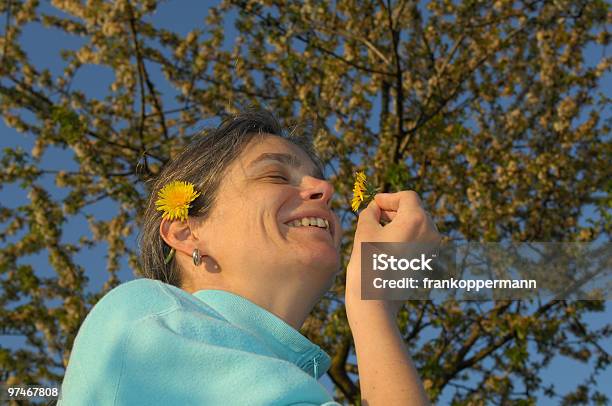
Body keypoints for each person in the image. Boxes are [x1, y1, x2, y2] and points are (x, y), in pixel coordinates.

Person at [58, 108, 438, 405]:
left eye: (319, 180)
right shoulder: (148, 320)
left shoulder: (291, 381)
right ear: (186, 232)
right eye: (275, 176)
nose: (324, 188)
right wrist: (374, 308)